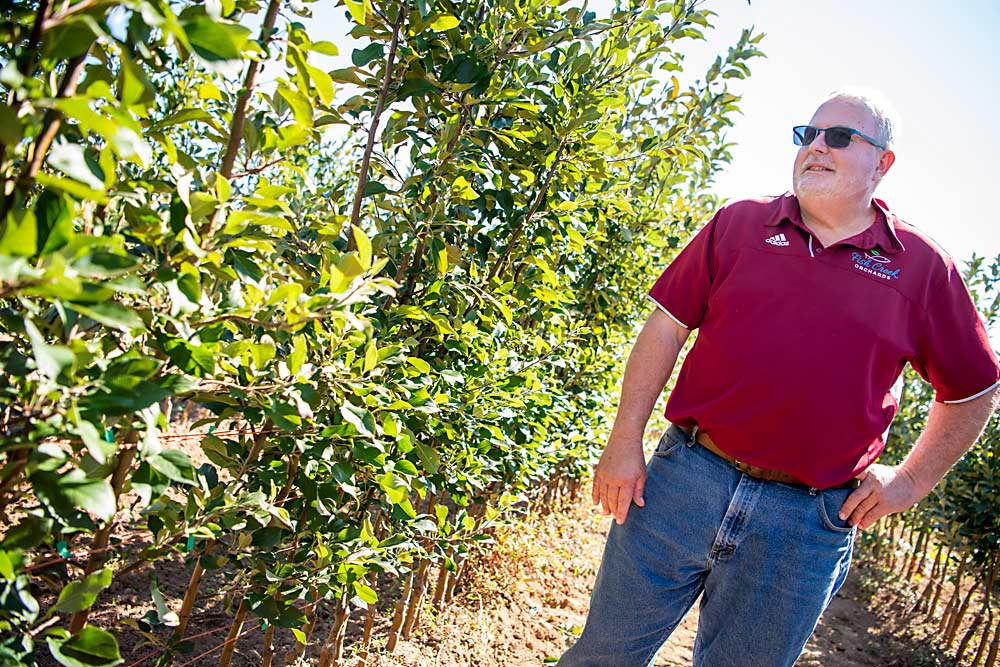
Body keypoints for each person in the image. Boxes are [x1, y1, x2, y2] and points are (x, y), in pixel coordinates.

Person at [557, 90, 1000, 667]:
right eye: (807, 134)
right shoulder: (739, 224)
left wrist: (910, 482)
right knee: (602, 657)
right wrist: (623, 441)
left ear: (882, 163)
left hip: (804, 526)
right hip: (683, 482)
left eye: (838, 137)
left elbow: (973, 390)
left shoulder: (920, 268)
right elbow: (664, 330)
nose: (817, 146)